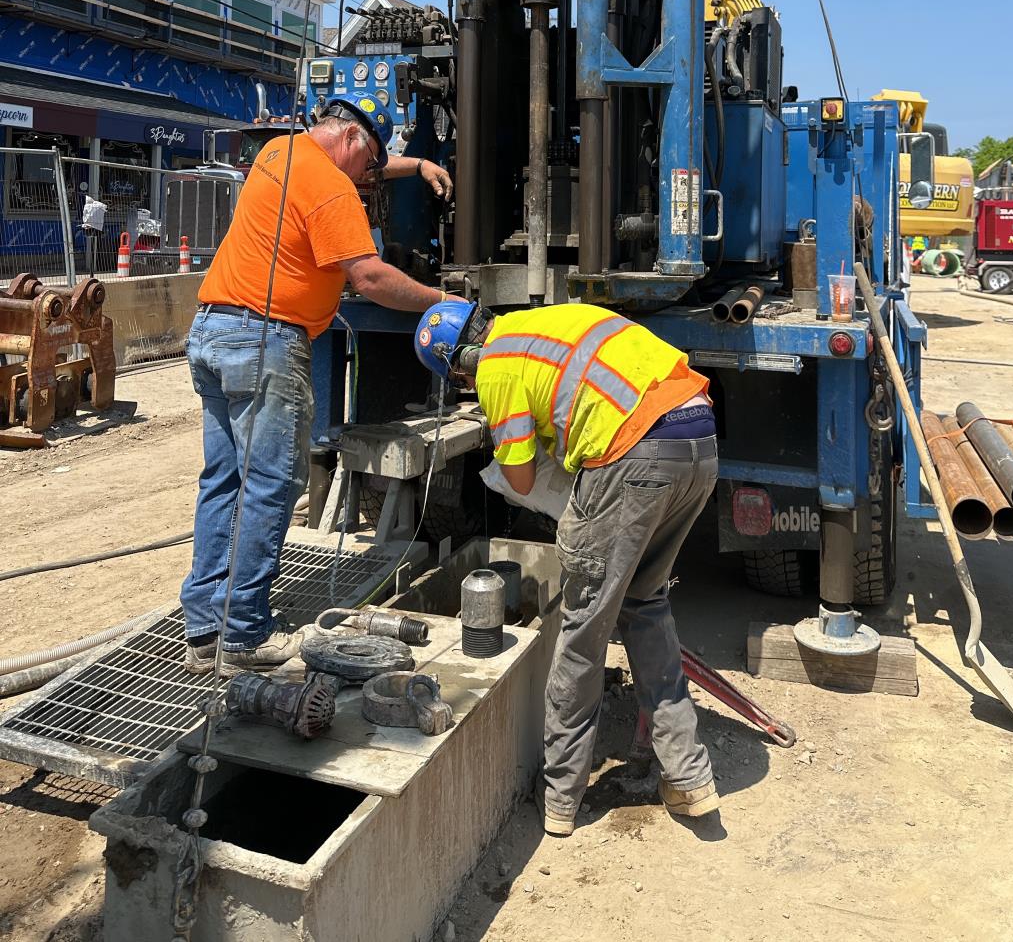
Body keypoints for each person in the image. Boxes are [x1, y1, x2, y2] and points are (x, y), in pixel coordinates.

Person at [414, 299, 720, 835]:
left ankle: (560, 798)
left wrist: (522, 449)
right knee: (645, 605)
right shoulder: (551, 320)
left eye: (461, 375)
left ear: (462, 360)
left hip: (633, 454)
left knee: (584, 631)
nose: (468, 382)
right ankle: (689, 776)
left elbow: (524, 481)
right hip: (699, 439)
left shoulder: (496, 365)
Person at [181, 96, 452, 676]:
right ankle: (244, 633)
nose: (368, 179)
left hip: (213, 330)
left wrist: (419, 166)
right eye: (369, 164)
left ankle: (204, 626)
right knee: (271, 485)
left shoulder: (279, 152)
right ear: (353, 142)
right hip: (265, 341)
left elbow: (362, 162)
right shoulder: (332, 188)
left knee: (224, 480)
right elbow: (372, 277)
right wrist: (443, 301)